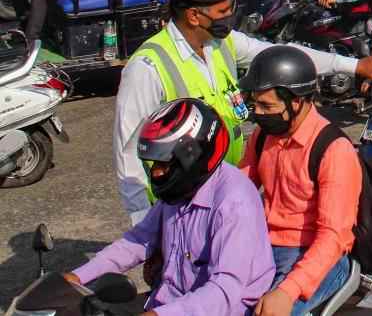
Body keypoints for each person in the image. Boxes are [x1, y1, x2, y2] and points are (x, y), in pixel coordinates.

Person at [114, 0, 372, 224]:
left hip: (221, 193)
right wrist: (144, 226)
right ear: (194, 16)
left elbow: (284, 55)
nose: (229, 17)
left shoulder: (220, 43)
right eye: (223, 11)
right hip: (177, 205)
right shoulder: (148, 67)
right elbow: (128, 152)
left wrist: (355, 66)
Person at [69, 98, 275, 315]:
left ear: (192, 157)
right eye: (153, 164)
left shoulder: (234, 203)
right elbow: (139, 240)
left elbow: (225, 290)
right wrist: (77, 277)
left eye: (164, 164)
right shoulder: (179, 193)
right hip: (168, 301)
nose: (156, 173)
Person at [240, 47, 362, 316]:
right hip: (263, 246)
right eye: (256, 105)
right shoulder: (263, 136)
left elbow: (333, 237)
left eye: (267, 106)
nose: (258, 114)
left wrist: (288, 290)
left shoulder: (333, 150)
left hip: (312, 255)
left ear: (296, 102)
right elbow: (239, 191)